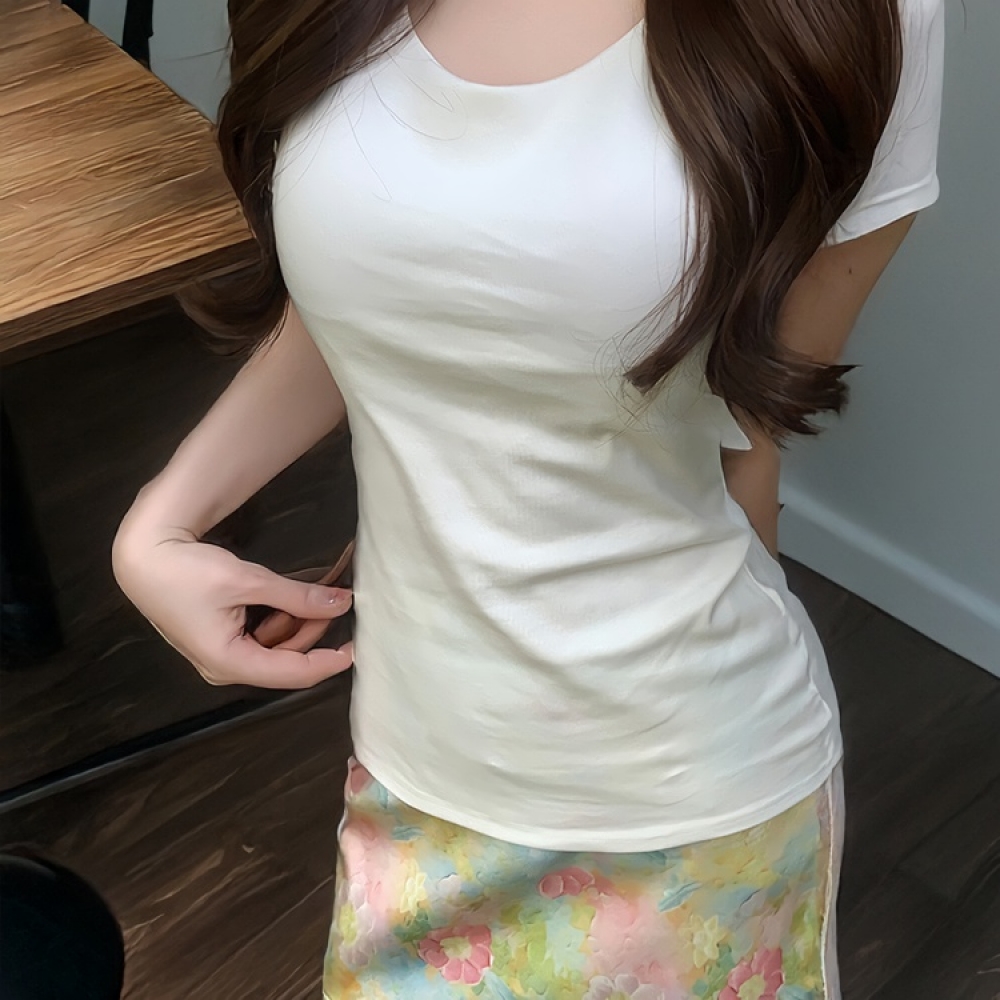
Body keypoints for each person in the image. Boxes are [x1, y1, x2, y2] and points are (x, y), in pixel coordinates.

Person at [112, 0, 945, 995]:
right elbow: (370, 292)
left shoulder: (863, 16)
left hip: (688, 804)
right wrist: (166, 516)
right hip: (411, 768)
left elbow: (747, 430)